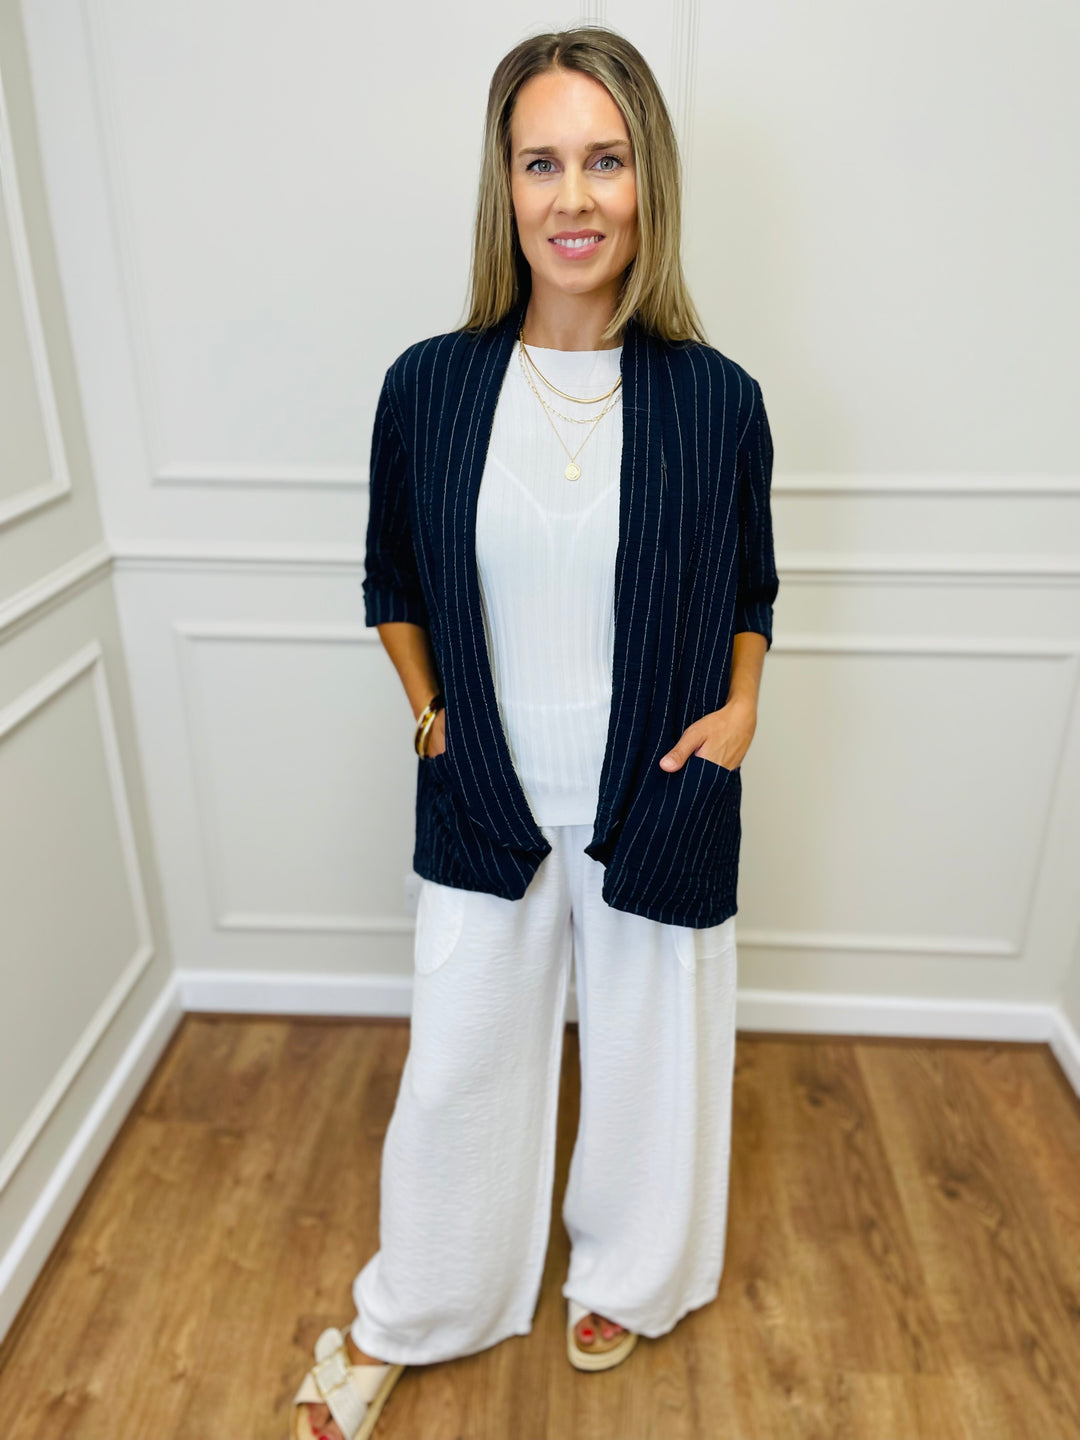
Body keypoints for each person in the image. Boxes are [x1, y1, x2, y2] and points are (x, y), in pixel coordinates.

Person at [292, 23, 778, 1440]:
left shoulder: (717, 400)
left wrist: (744, 706)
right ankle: (417, 1308)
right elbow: (391, 579)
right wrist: (431, 717)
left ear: (648, 182)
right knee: (458, 1068)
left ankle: (628, 1272)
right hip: (487, 792)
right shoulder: (431, 385)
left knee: (651, 1063)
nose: (575, 198)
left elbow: (750, 588)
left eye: (605, 162)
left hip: (662, 787)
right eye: (542, 162)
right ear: (504, 187)